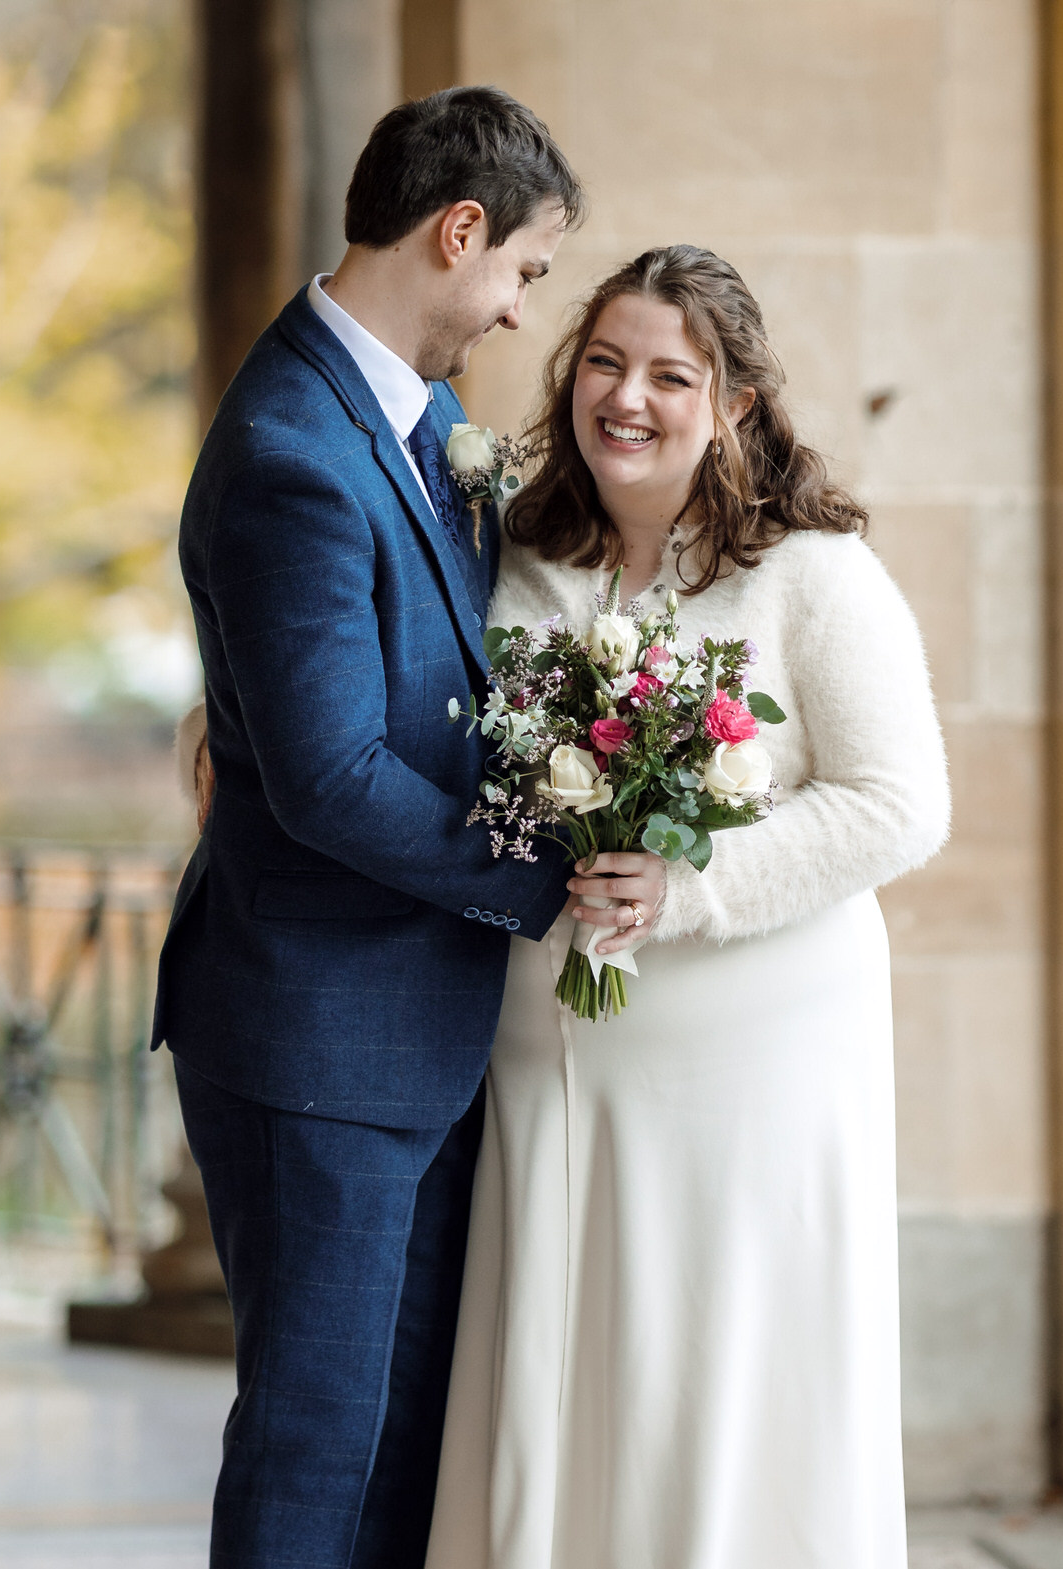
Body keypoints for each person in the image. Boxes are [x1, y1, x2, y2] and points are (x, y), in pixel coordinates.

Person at [152, 88, 666, 1569]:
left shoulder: (419, 414)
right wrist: (549, 875)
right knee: (318, 1447)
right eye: (523, 273)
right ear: (459, 234)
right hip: (317, 1041)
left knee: (400, 1454)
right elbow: (328, 779)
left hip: (407, 1033)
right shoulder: (293, 453)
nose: (518, 317)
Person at [424, 245, 952, 1569]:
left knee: (719, 1374)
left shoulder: (814, 572)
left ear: (738, 403)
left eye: (672, 373)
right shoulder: (528, 556)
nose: (629, 397)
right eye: (604, 362)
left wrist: (694, 884)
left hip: (753, 1068)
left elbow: (900, 802)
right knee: (568, 1363)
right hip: (560, 1054)